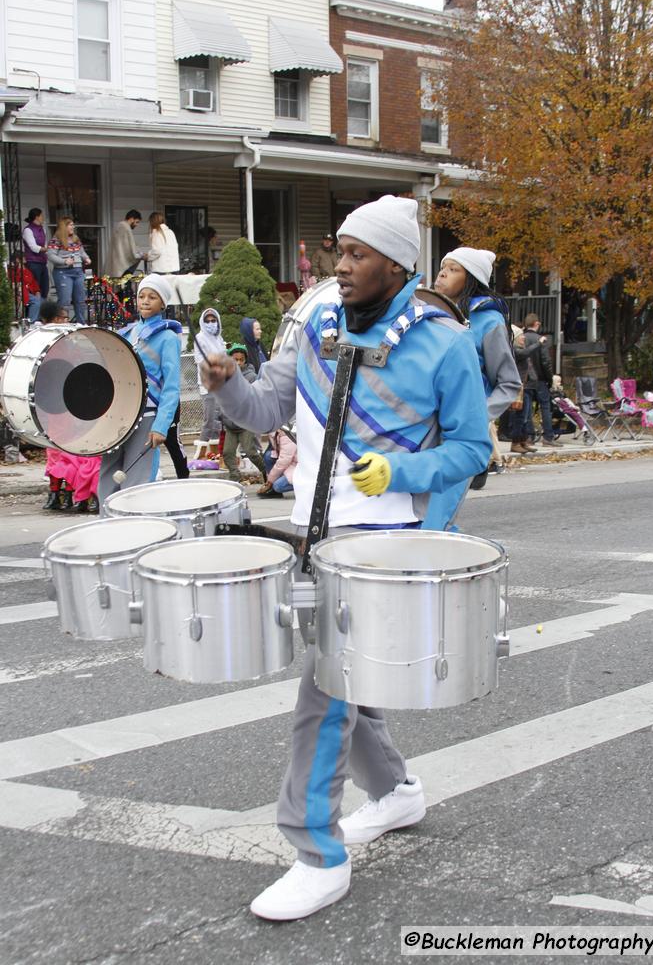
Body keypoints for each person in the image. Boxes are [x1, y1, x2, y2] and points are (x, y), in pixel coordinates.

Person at [200, 194, 490, 922]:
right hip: (314, 531)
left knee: (323, 695)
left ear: (396, 264)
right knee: (346, 682)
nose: (341, 264)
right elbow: (268, 409)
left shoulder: (442, 340)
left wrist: (397, 472)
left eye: (357, 254)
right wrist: (228, 384)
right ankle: (392, 792)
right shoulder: (321, 320)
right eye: (340, 249)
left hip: (383, 544)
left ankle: (316, 852)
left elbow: (473, 448)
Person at [434, 247, 521, 484]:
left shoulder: (488, 320)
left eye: (453, 270)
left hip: (461, 440)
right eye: (443, 268)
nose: (442, 274)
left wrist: (477, 416)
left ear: (471, 279)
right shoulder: (430, 314)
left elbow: (509, 382)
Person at [97, 275, 181, 505]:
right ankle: (107, 527)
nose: (145, 301)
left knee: (136, 482)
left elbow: (172, 388)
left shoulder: (168, 338)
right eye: (141, 296)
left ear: (163, 303)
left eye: (152, 297)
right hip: (119, 415)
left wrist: (161, 426)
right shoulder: (126, 333)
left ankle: (133, 531)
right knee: (107, 477)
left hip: (147, 416)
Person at [220, 344, 267, 483]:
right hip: (230, 423)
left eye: (241, 360)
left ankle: (266, 470)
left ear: (245, 360)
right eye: (235, 360)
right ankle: (235, 476)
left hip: (246, 423)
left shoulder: (251, 377)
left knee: (250, 451)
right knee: (227, 453)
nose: (238, 363)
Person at [193, 308, 227, 460]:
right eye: (207, 321)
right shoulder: (200, 338)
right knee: (209, 419)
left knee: (218, 419)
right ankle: (199, 455)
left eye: (213, 320)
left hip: (222, 384)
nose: (211, 323)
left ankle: (214, 453)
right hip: (208, 384)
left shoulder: (219, 339)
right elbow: (200, 360)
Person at [47, 217, 91, 324]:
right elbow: (50, 255)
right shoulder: (56, 239)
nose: (73, 227)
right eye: (70, 225)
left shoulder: (76, 239)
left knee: (80, 300)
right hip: (63, 272)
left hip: (78, 271)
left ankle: (81, 324)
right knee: (65, 301)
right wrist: (64, 261)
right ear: (64, 226)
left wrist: (86, 258)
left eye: (73, 225)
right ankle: (62, 323)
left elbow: (81, 252)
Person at [521, 313, 556, 446]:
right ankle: (548, 437)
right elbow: (546, 362)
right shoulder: (541, 340)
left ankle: (530, 436)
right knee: (545, 407)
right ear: (537, 324)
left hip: (526, 379)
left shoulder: (521, 339)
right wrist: (550, 379)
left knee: (528, 408)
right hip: (540, 379)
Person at [509, 329, 537, 453]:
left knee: (526, 415)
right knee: (519, 416)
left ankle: (523, 440)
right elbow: (526, 353)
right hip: (518, 386)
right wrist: (539, 343)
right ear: (515, 338)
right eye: (521, 336)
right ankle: (515, 443)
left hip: (525, 385)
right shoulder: (515, 350)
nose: (524, 338)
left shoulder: (519, 349)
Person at [104, 210, 147, 278]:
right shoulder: (125, 228)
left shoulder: (120, 226)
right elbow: (130, 251)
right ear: (132, 218)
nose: (137, 225)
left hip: (118, 264)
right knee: (125, 285)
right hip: (123, 267)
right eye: (137, 222)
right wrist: (141, 255)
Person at [258, 427, 297, 498]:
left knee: (278, 486)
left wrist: (270, 481)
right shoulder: (274, 432)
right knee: (268, 456)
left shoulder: (286, 434)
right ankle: (272, 487)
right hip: (292, 461)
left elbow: (284, 461)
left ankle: (310, 485)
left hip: (300, 465)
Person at [22, 208, 50, 302]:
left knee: (45, 288)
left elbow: (44, 243)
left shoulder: (42, 228)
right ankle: (36, 311)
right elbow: (33, 247)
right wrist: (46, 249)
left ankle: (43, 311)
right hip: (33, 262)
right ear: (37, 217)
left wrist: (46, 249)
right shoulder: (28, 230)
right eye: (41, 215)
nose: (43, 217)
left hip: (42, 262)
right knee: (35, 288)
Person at [9, 256, 42, 324]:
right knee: (35, 302)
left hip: (30, 292)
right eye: (23, 257)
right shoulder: (13, 270)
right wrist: (19, 269)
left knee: (42, 300)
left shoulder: (27, 270)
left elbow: (33, 282)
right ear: (17, 259)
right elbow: (17, 281)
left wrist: (37, 291)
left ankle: (35, 320)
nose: (25, 259)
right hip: (22, 292)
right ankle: (31, 322)